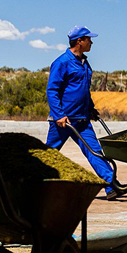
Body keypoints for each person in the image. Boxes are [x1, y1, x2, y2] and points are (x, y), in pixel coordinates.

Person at [46, 26, 116, 199]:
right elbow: (52, 90)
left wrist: (90, 108)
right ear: (79, 41)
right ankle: (32, 183)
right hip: (63, 120)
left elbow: (83, 90)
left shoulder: (84, 63)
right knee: (49, 155)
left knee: (95, 152)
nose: (91, 42)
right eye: (89, 39)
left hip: (82, 120)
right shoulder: (62, 62)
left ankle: (111, 186)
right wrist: (59, 115)